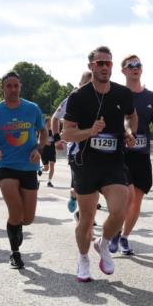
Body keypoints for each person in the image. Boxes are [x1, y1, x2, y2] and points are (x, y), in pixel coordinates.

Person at [60, 47, 136, 280]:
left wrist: (129, 131)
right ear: (91, 66)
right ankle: (83, 259)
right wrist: (90, 131)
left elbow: (131, 116)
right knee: (87, 219)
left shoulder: (123, 93)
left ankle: (103, 244)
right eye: (100, 63)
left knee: (119, 210)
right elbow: (67, 134)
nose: (105, 67)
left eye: (108, 63)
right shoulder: (78, 97)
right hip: (86, 163)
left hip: (113, 161)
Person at [0, 71, 47, 269]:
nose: (12, 89)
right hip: (6, 166)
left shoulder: (32, 108)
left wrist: (38, 149)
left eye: (15, 86)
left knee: (27, 219)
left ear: (20, 87)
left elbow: (43, 132)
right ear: (2, 89)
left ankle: (16, 227)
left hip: (29, 166)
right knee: (15, 211)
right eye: (8, 86)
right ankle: (15, 253)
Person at [111, 54, 153, 256]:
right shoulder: (117, 94)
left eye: (138, 65)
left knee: (136, 201)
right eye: (131, 65)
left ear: (141, 69)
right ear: (124, 70)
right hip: (121, 154)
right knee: (128, 197)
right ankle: (114, 231)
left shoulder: (152, 97)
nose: (135, 67)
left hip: (142, 155)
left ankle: (124, 237)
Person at [52, 70, 94, 219]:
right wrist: (57, 138)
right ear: (80, 84)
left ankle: (83, 213)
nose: (90, 86)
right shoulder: (72, 99)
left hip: (97, 150)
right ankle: (76, 200)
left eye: (93, 82)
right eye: (86, 83)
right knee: (83, 186)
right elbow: (55, 118)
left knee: (94, 185)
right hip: (77, 151)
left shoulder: (103, 99)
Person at [41, 118, 58, 188]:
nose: (49, 124)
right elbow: (39, 141)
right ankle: (39, 170)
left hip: (52, 151)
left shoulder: (54, 132)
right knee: (46, 168)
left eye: (50, 122)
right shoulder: (43, 131)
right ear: (45, 123)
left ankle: (49, 181)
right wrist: (45, 142)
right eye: (48, 122)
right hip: (44, 151)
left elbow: (58, 140)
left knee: (52, 165)